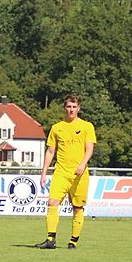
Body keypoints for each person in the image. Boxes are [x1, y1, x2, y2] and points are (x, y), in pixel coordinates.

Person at [34, 94, 97, 250]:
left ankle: (73, 241)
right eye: (69, 106)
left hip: (80, 174)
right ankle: (50, 240)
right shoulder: (57, 128)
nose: (71, 110)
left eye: (74, 107)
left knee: (77, 207)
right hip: (61, 172)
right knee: (52, 202)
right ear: (64, 108)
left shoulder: (87, 126)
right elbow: (50, 151)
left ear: (79, 108)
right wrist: (44, 173)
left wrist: (82, 164)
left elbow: (89, 149)